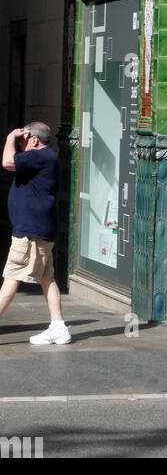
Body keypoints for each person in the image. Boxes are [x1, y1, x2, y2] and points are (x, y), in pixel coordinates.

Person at [0, 122, 71, 345]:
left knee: (11, 278)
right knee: (46, 278)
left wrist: (10, 136)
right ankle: (58, 327)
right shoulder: (45, 158)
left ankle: (59, 327)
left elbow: (7, 162)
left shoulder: (40, 156)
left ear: (33, 139)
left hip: (30, 232)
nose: (19, 146)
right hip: (38, 230)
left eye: (22, 141)